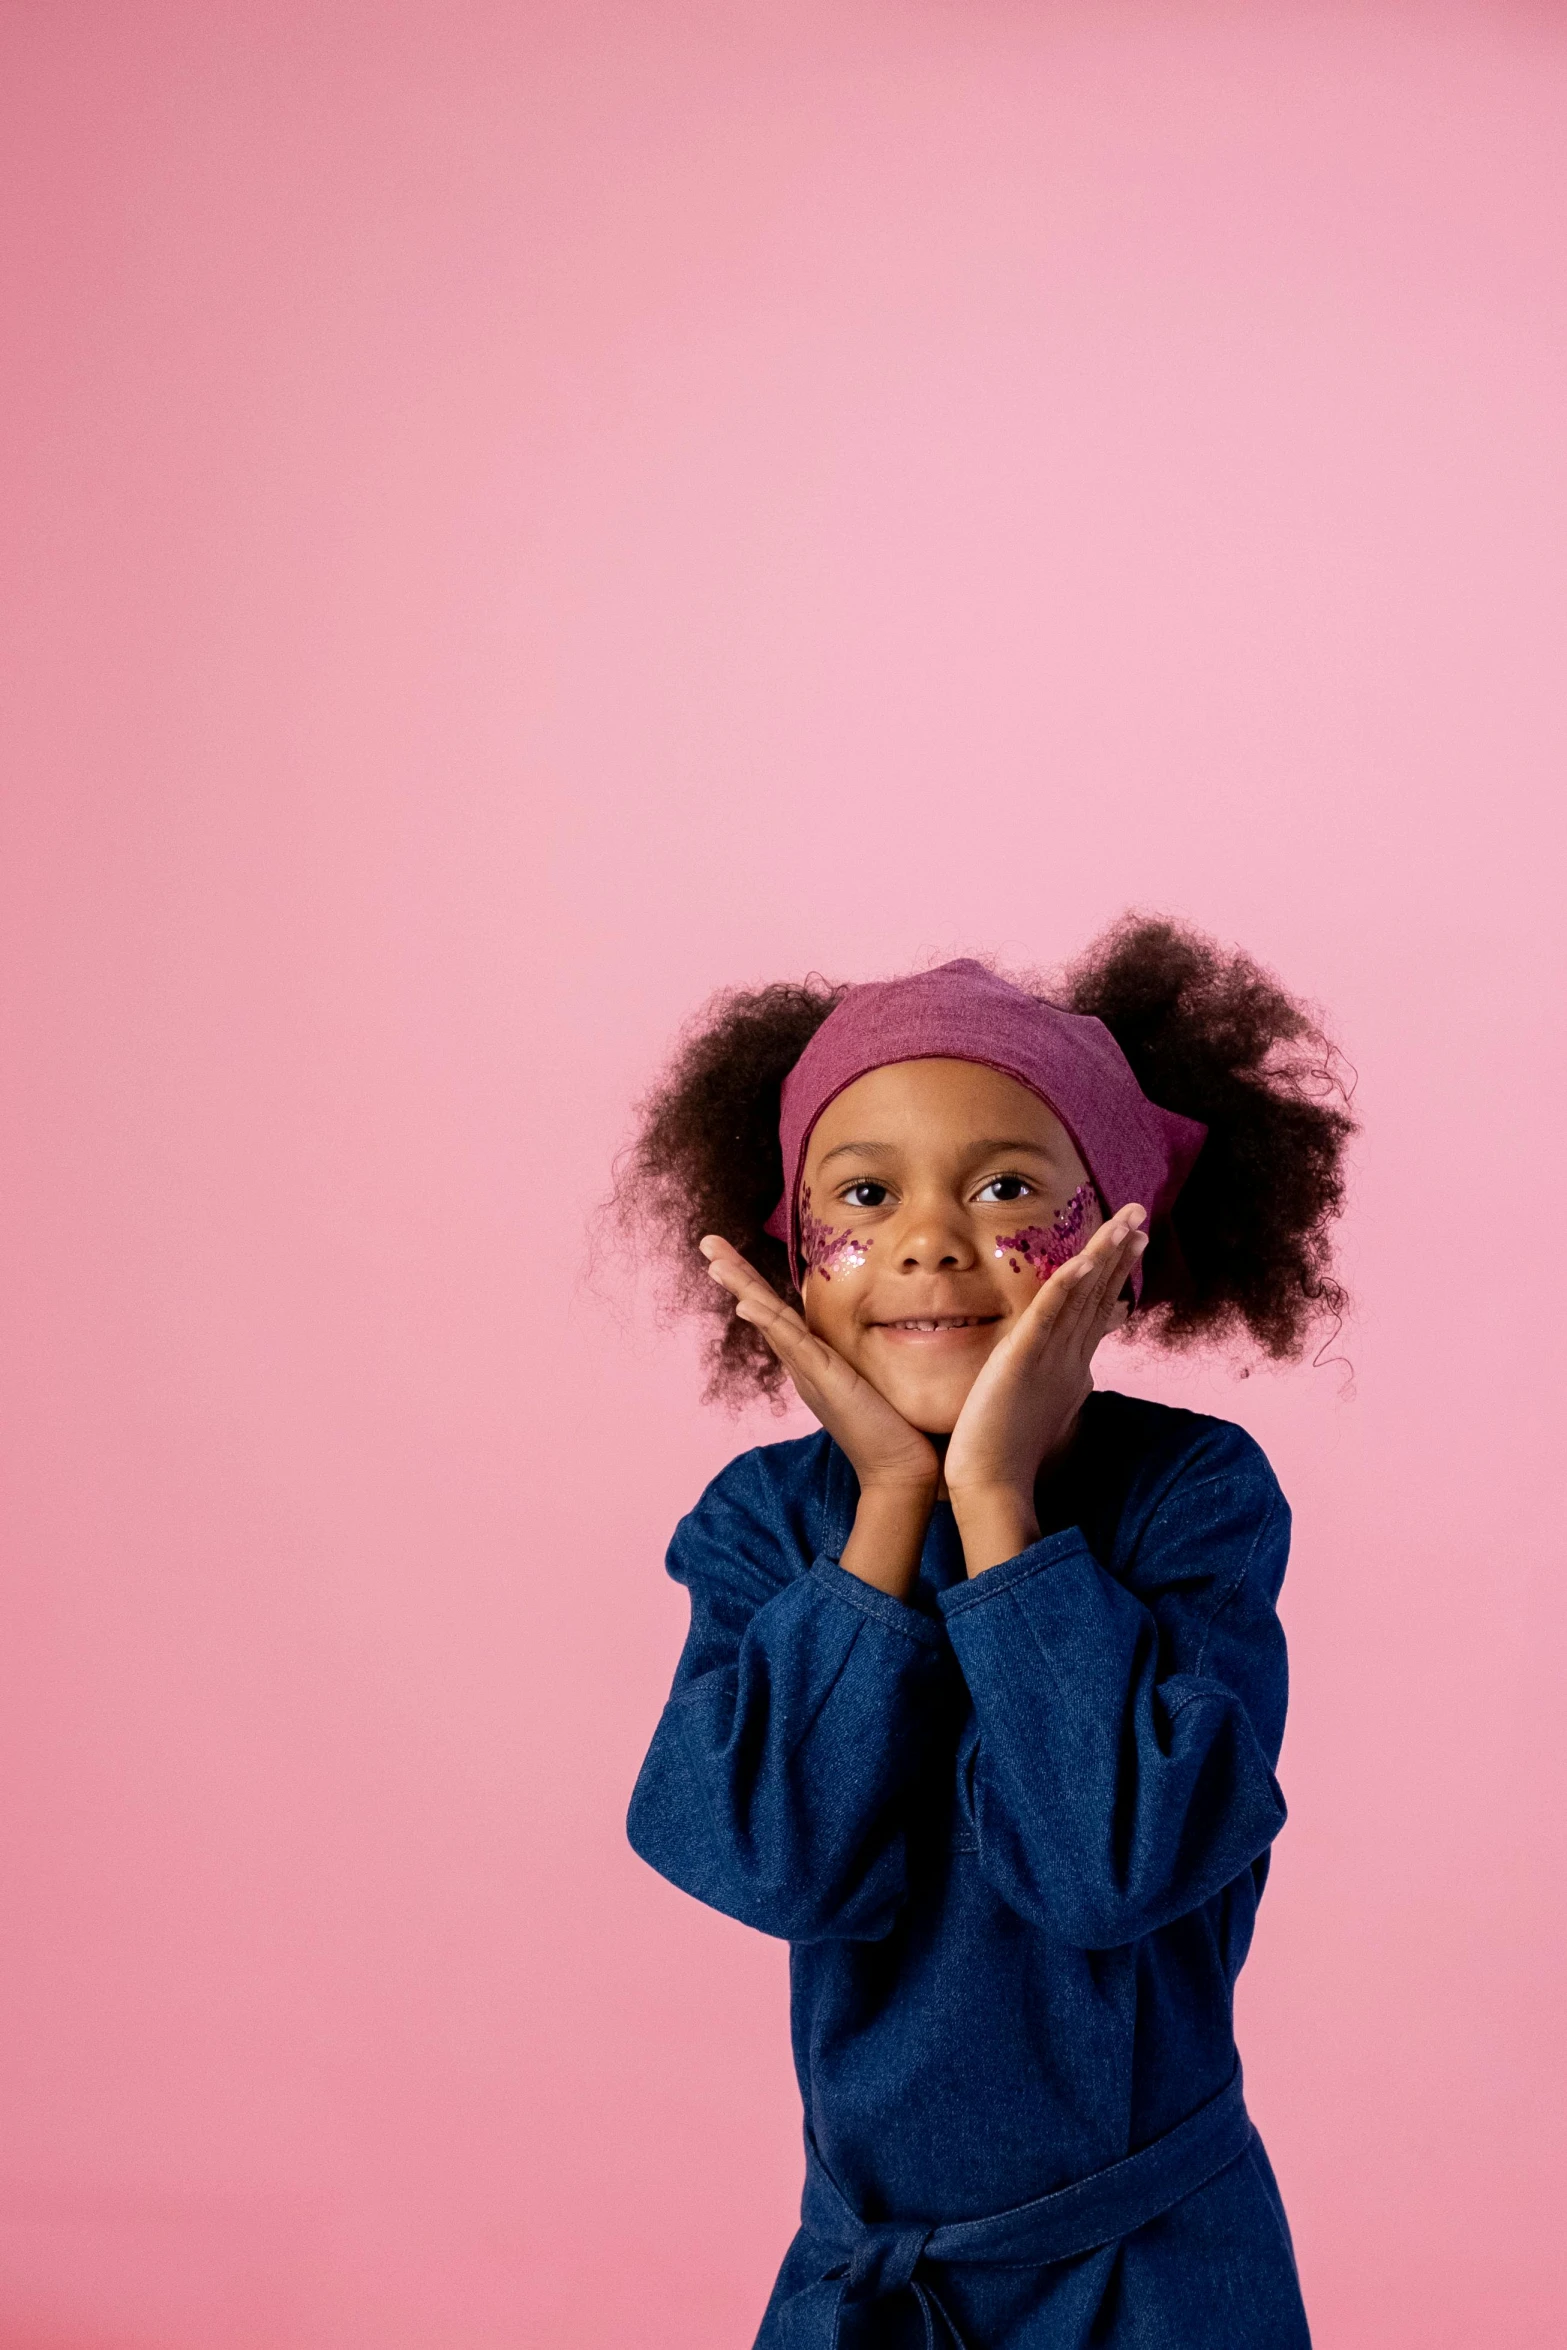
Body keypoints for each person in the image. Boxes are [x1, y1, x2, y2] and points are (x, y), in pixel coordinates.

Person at [618, 916, 1353, 2349]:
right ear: (793, 1253)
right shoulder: (761, 1525)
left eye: (1006, 1185)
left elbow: (1110, 1866)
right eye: (864, 1195)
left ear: (1118, 1248)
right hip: (867, 2289)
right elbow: (767, 1858)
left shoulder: (1195, 1499)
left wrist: (996, 1498)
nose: (928, 1241)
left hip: (1155, 2278)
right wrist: (890, 1499)